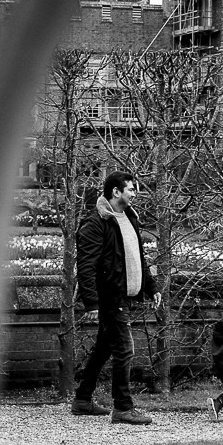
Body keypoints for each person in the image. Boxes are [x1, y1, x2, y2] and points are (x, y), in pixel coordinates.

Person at [72, 170, 158, 424]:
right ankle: (122, 407)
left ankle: (82, 399)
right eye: (131, 189)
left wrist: (152, 287)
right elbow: (86, 266)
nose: (135, 194)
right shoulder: (96, 223)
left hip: (124, 296)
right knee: (124, 349)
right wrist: (91, 302)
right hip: (110, 297)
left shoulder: (129, 217)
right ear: (116, 192)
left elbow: (138, 258)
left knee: (104, 348)